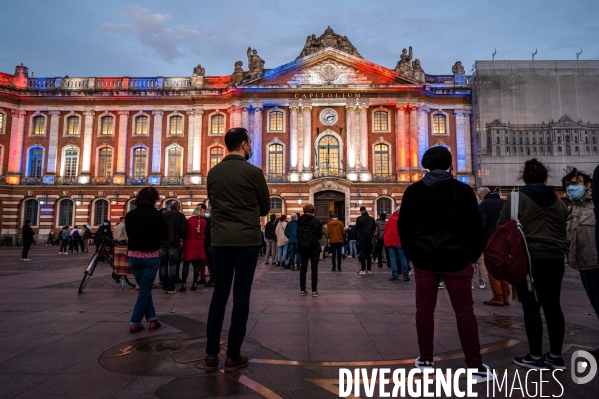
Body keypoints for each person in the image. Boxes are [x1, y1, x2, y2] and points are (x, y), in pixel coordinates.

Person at [398, 146, 491, 381]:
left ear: (426, 165)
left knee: (424, 310)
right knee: (465, 311)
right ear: (450, 165)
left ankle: (426, 359)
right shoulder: (463, 191)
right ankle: (475, 365)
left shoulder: (413, 192)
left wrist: (413, 255)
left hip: (425, 260)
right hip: (458, 259)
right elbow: (476, 228)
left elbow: (404, 229)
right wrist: (471, 256)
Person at [204, 127, 269, 373]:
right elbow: (264, 208)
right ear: (243, 144)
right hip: (246, 242)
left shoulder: (213, 172)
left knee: (219, 295)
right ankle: (232, 355)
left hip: (219, 241)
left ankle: (211, 355)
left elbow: (213, 201)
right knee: (241, 296)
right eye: (250, 143)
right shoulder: (254, 172)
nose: (250, 147)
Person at [497, 159, 569, 370]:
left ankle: (535, 356)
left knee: (531, 304)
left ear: (524, 178)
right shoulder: (559, 200)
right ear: (546, 177)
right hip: (556, 258)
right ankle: (556, 356)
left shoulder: (516, 198)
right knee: (553, 304)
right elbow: (565, 222)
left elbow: (502, 226)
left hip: (528, 258)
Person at [563, 168, 599, 358]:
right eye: (569, 184)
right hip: (582, 265)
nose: (571, 188)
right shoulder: (572, 207)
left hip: (596, 263)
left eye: (576, 184)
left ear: (587, 185)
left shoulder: (595, 205)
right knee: (595, 305)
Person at [125, 187, 169, 333]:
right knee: (144, 290)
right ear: (154, 199)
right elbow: (165, 234)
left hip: (134, 257)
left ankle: (152, 320)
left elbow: (129, 233)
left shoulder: (130, 215)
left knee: (144, 289)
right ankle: (135, 322)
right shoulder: (156, 214)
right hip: (150, 256)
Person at [478, 187, 509, 306]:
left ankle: (498, 296)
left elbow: (482, 223)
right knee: (503, 268)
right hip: (505, 240)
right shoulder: (504, 203)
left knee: (492, 269)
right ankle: (506, 296)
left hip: (490, 241)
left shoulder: (484, 204)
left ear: (482, 195)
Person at [160, 200, 187, 294]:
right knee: (172, 265)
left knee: (163, 265)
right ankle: (171, 287)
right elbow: (183, 229)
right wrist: (180, 238)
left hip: (162, 243)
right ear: (178, 206)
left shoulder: (163, 215)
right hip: (173, 243)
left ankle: (164, 286)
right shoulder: (180, 215)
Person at [298, 204, 323, 296]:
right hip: (314, 247)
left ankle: (302, 289)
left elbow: (296, 233)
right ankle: (314, 290)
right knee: (314, 269)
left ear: (304, 211)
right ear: (313, 211)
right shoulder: (316, 221)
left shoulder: (299, 221)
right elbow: (320, 235)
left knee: (303, 268)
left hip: (302, 247)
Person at [180, 206, 207, 292]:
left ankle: (184, 283)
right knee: (196, 265)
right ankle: (194, 283)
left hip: (189, 244)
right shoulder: (204, 221)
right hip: (199, 244)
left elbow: (184, 231)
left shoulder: (189, 221)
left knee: (186, 265)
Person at [385, 207, 409, 281]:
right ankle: (405, 275)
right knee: (403, 258)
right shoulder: (402, 219)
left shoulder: (390, 220)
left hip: (390, 241)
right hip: (399, 241)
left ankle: (395, 275)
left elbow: (386, 230)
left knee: (393, 258)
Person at [356, 206, 375, 274]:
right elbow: (373, 228)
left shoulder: (359, 219)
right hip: (369, 238)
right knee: (369, 254)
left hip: (362, 238)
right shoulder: (372, 219)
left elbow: (357, 228)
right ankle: (369, 270)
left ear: (361, 211)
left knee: (363, 254)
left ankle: (363, 270)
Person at [201, 203, 215, 288]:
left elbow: (208, 234)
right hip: (215, 245)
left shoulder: (210, 220)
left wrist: (205, 243)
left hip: (210, 246)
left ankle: (213, 279)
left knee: (211, 264)